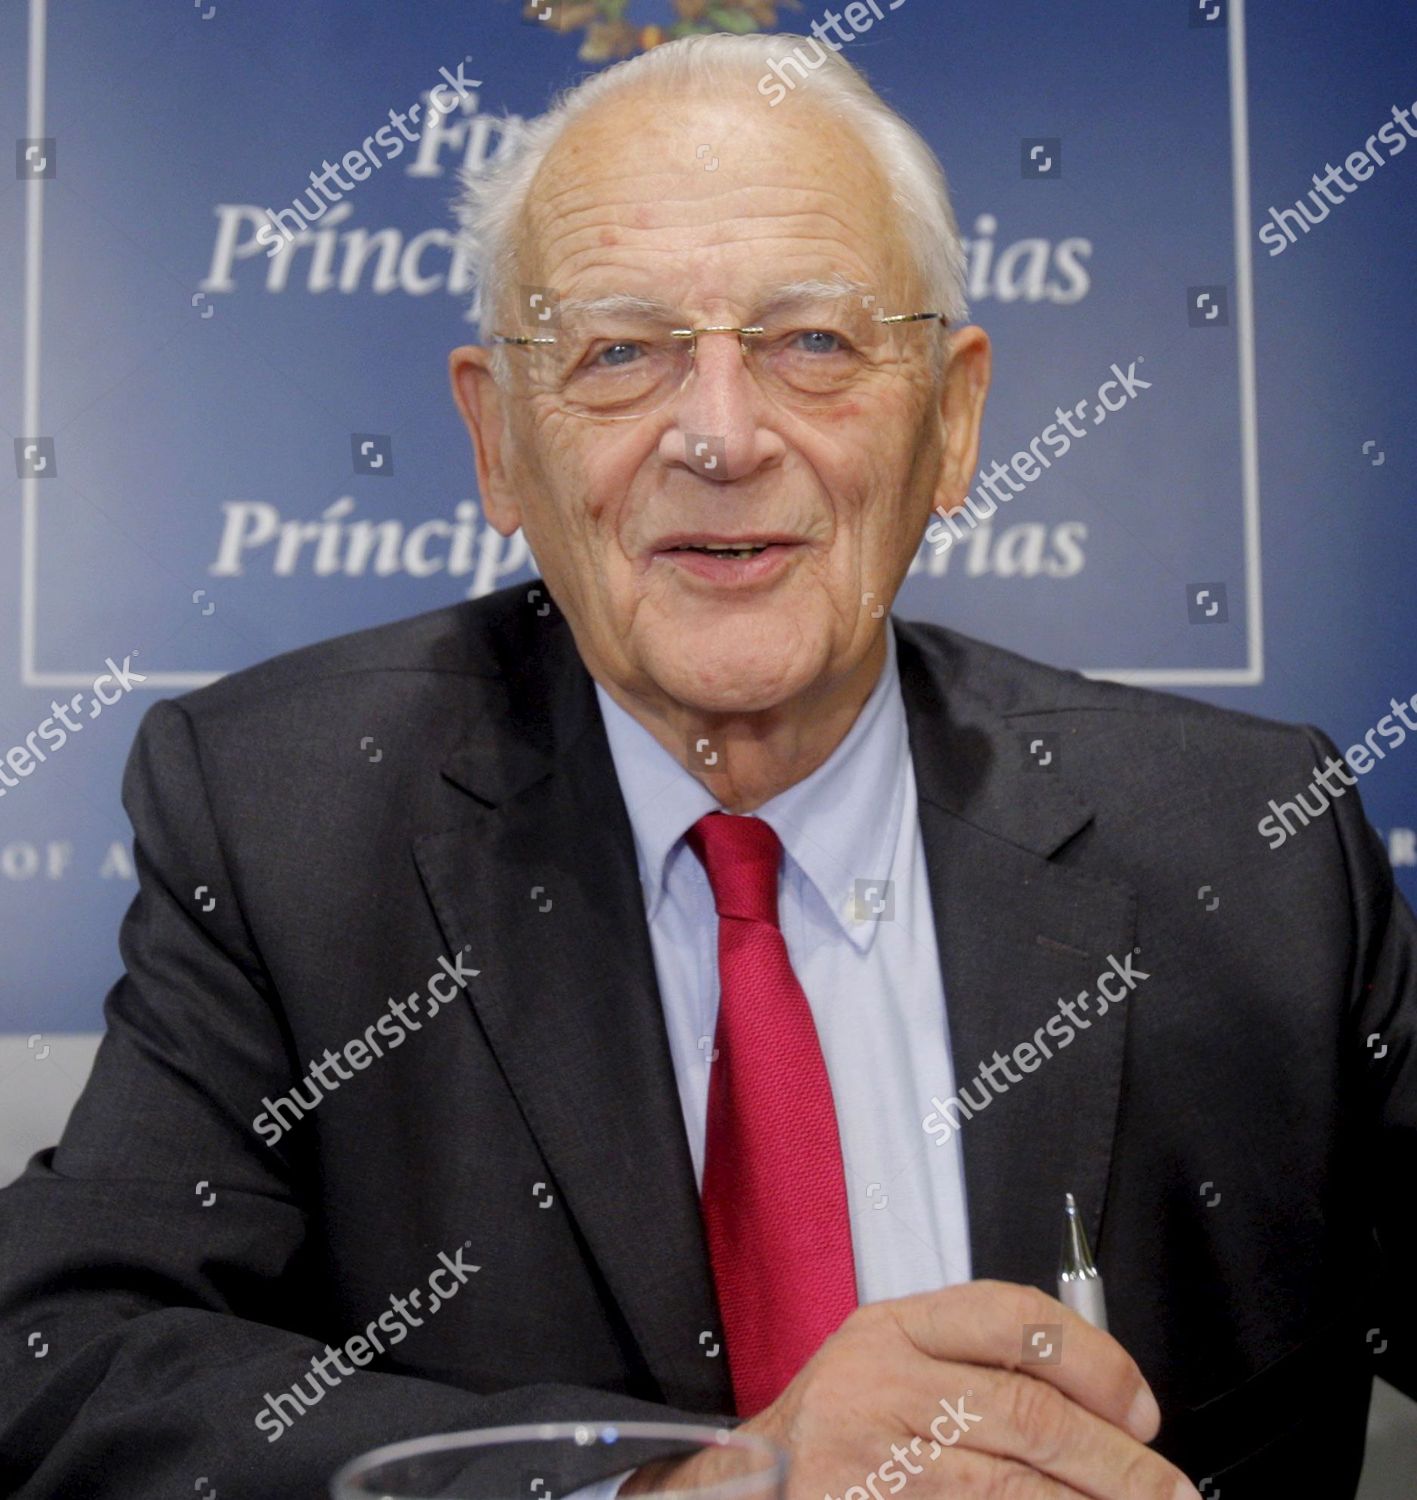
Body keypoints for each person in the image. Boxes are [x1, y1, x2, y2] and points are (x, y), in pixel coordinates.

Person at [2, 31, 1413, 1500]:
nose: (722, 436)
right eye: (619, 352)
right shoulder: (282, 817)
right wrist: (673, 1491)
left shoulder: (1251, 841)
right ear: (495, 441)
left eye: (813, 340)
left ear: (953, 414)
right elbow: (64, 1359)